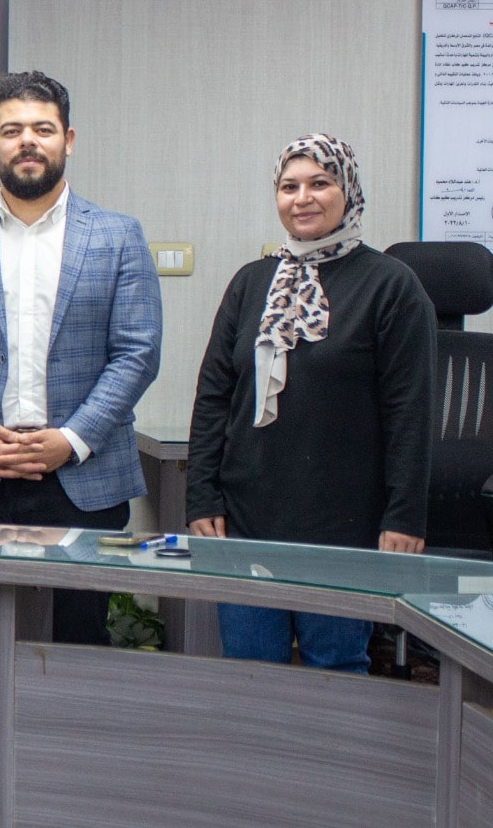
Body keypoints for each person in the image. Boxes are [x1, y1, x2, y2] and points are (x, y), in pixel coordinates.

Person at [0, 70, 162, 645]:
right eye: (11, 129)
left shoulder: (118, 236)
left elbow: (137, 352)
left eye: (42, 129)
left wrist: (71, 438)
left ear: (68, 139)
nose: (27, 141)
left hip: (84, 472)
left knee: (79, 641)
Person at [186, 134, 434, 673]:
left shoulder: (391, 286)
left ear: (348, 190)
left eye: (319, 183)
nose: (302, 198)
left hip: (343, 524)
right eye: (288, 186)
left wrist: (404, 515)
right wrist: (201, 497)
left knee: (336, 671)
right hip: (246, 519)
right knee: (250, 670)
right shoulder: (251, 283)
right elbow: (213, 399)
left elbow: (410, 414)